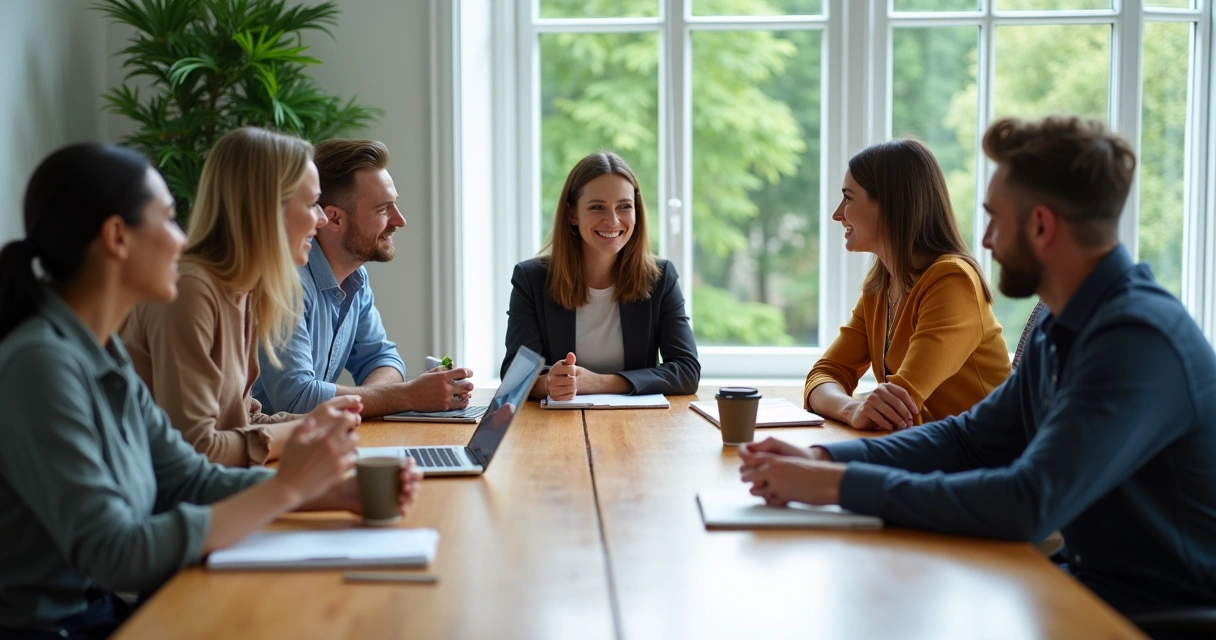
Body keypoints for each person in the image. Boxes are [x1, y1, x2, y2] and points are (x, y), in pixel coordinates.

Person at [738, 116, 1216, 618]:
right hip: (1091, 588)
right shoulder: (1065, 327)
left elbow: (1027, 503)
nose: (984, 240)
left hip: (1163, 615)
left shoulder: (1135, 339)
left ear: (1041, 225)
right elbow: (967, 438)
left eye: (993, 218)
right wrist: (824, 460)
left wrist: (836, 487)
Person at [0, 143, 422, 639]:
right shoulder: (40, 365)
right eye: (168, 219)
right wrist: (288, 488)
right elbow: (117, 554)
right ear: (117, 238)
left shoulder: (101, 352)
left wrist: (332, 493)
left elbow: (189, 477)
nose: (182, 242)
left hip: (100, 612)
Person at [120, 127, 349, 466]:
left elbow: (242, 425)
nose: (320, 219)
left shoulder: (244, 291)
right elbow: (196, 450)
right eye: (312, 202)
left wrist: (326, 425)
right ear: (268, 208)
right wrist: (307, 431)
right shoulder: (189, 292)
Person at [252, 139, 473, 418]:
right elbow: (297, 397)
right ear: (333, 218)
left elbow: (383, 359)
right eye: (382, 209)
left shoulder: (356, 278)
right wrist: (408, 395)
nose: (400, 220)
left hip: (311, 442)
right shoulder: (286, 282)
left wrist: (384, 398)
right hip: (266, 454)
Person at [806, 138, 1010, 430]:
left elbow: (901, 404)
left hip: (981, 462)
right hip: (927, 452)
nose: (838, 214)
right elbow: (825, 374)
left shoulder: (953, 281)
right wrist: (852, 409)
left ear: (890, 205)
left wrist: (865, 409)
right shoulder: (881, 286)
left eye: (849, 198)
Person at [502, 151, 699, 399]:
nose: (613, 220)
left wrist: (601, 383)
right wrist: (548, 384)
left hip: (639, 426)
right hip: (558, 425)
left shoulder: (660, 277)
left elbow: (686, 371)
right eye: (597, 207)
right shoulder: (531, 279)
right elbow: (514, 376)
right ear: (572, 214)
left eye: (624, 207)